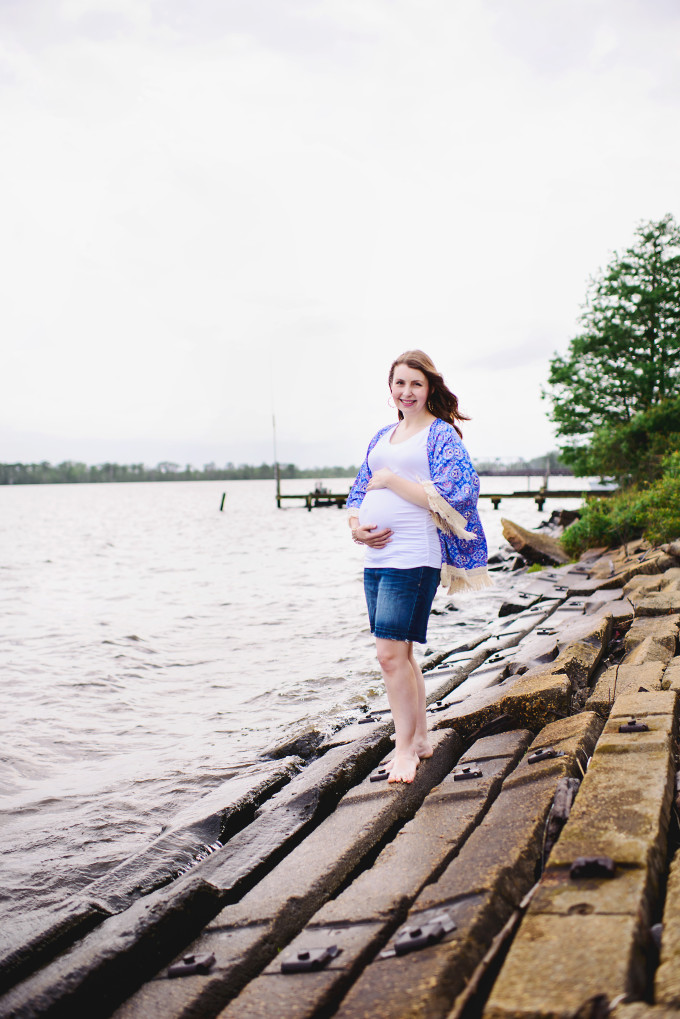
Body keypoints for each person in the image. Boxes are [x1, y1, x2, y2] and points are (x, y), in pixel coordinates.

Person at [347, 350, 490, 784]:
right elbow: (356, 492)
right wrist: (357, 528)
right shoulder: (381, 436)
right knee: (401, 655)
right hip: (377, 557)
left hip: (415, 555)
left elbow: (461, 490)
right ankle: (421, 738)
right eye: (399, 383)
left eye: (416, 384)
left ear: (429, 388)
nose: (406, 392)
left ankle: (404, 747)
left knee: (388, 657)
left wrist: (392, 481)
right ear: (389, 388)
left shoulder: (440, 435)